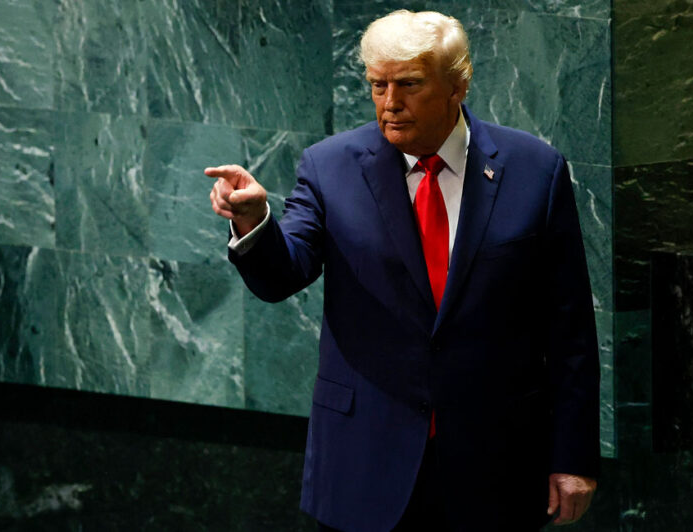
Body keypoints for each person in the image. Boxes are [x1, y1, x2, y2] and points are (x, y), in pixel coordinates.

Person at [205, 10, 599, 531]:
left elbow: (569, 326)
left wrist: (572, 457)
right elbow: (283, 274)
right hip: (366, 459)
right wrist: (255, 220)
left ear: (458, 84)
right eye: (377, 86)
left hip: (495, 465)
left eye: (409, 85)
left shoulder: (535, 170)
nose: (390, 103)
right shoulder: (330, 167)